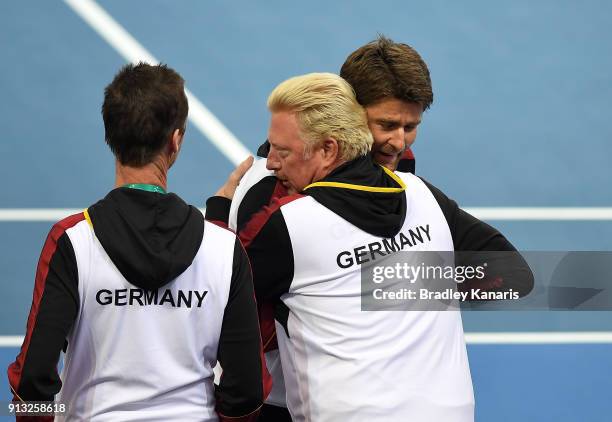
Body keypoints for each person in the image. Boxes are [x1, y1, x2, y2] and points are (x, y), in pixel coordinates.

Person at [208, 72, 533, 421]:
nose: (398, 142)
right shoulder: (416, 191)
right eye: (387, 124)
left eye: (410, 127)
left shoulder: (296, 221)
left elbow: (212, 300)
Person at [8, 63, 269, 421]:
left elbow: (32, 380)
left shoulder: (72, 241)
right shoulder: (223, 248)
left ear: (109, 136)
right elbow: (247, 390)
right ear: (175, 140)